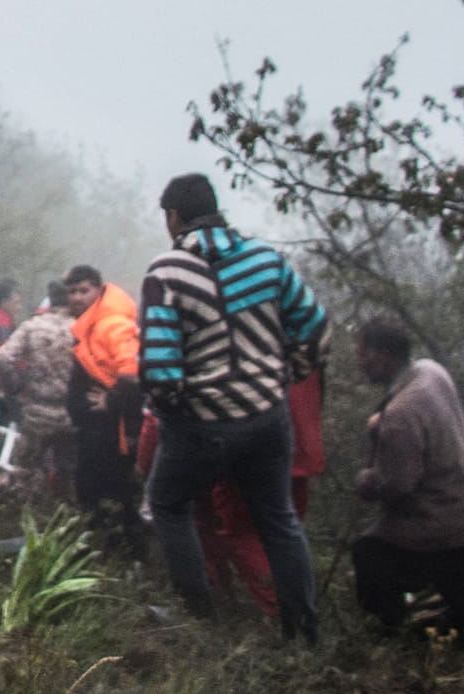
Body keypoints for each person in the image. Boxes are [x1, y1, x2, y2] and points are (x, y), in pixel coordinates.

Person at [138, 173, 326, 642]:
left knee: (168, 503)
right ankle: (303, 630)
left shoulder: (167, 272)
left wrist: (175, 416)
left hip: (203, 424)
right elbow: (314, 326)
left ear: (174, 217)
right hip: (267, 417)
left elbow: (160, 371)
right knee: (278, 519)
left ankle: (199, 618)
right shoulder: (265, 259)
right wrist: (287, 374)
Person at [352, 319, 464, 648]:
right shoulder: (431, 371)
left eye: (364, 354)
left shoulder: (401, 413)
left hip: (443, 520)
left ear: (386, 355)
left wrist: (365, 480)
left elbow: (397, 485)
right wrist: (383, 423)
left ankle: (392, 635)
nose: (360, 362)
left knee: (369, 552)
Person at [62, 264, 142, 540]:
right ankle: (105, 543)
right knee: (95, 489)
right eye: (72, 291)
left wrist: (112, 399)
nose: (77, 297)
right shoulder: (91, 324)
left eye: (84, 291)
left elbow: (131, 373)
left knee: (113, 491)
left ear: (99, 290)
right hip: (95, 427)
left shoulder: (112, 323)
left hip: (111, 429)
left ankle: (121, 548)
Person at [0, 282, 78, 501]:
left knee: (26, 470)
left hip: (37, 409)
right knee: (67, 472)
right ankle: (63, 512)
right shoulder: (81, 328)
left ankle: (25, 512)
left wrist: (16, 387)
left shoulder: (32, 327)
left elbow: (3, 358)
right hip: (71, 412)